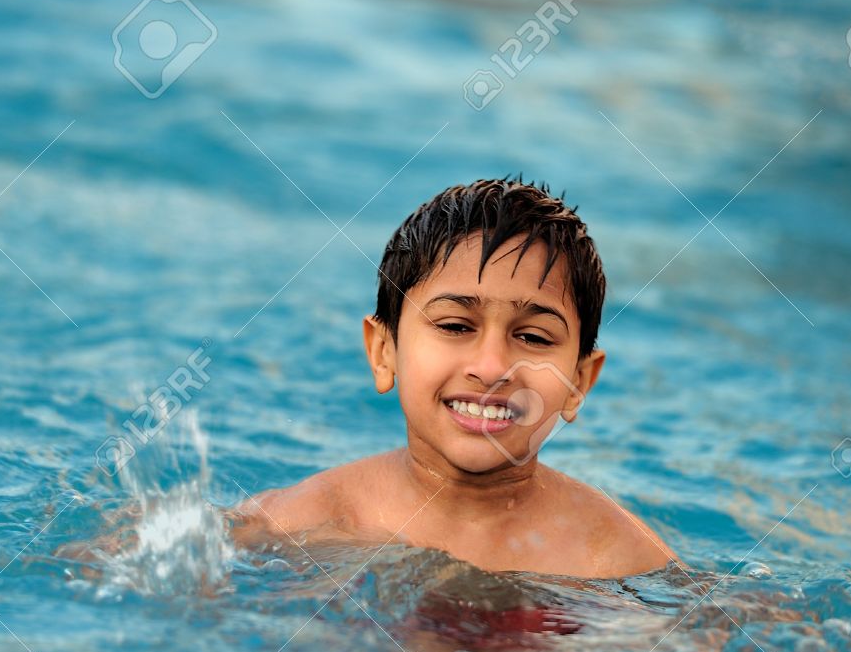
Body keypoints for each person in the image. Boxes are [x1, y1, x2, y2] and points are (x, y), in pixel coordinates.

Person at [233, 178, 678, 579]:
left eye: (533, 337)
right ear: (384, 352)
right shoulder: (299, 525)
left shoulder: (618, 559)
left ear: (580, 381)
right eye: (455, 327)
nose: (490, 367)